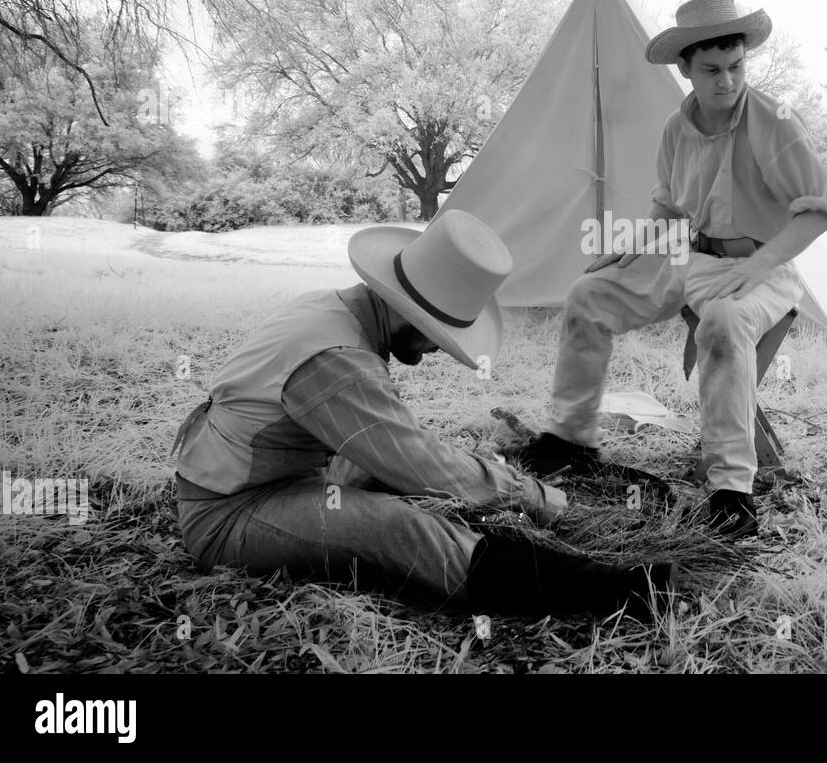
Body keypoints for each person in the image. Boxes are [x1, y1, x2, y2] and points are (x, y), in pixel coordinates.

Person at [171, 210, 674, 619]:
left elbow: (401, 448)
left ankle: (501, 530)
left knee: (409, 469)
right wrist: (536, 497)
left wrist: (473, 481)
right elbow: (418, 464)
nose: (437, 349)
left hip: (296, 474)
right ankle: (600, 591)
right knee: (393, 524)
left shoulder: (332, 309)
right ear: (405, 310)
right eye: (438, 333)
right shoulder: (337, 361)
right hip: (230, 513)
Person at [509, 0, 827, 538]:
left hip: (765, 267)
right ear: (685, 68)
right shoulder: (675, 128)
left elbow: (822, 212)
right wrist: (634, 241)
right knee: (587, 296)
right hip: (691, 256)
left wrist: (757, 265)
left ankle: (731, 492)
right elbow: (670, 207)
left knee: (723, 323)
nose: (727, 82)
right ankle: (571, 440)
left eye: (736, 67)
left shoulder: (775, 123)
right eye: (711, 70)